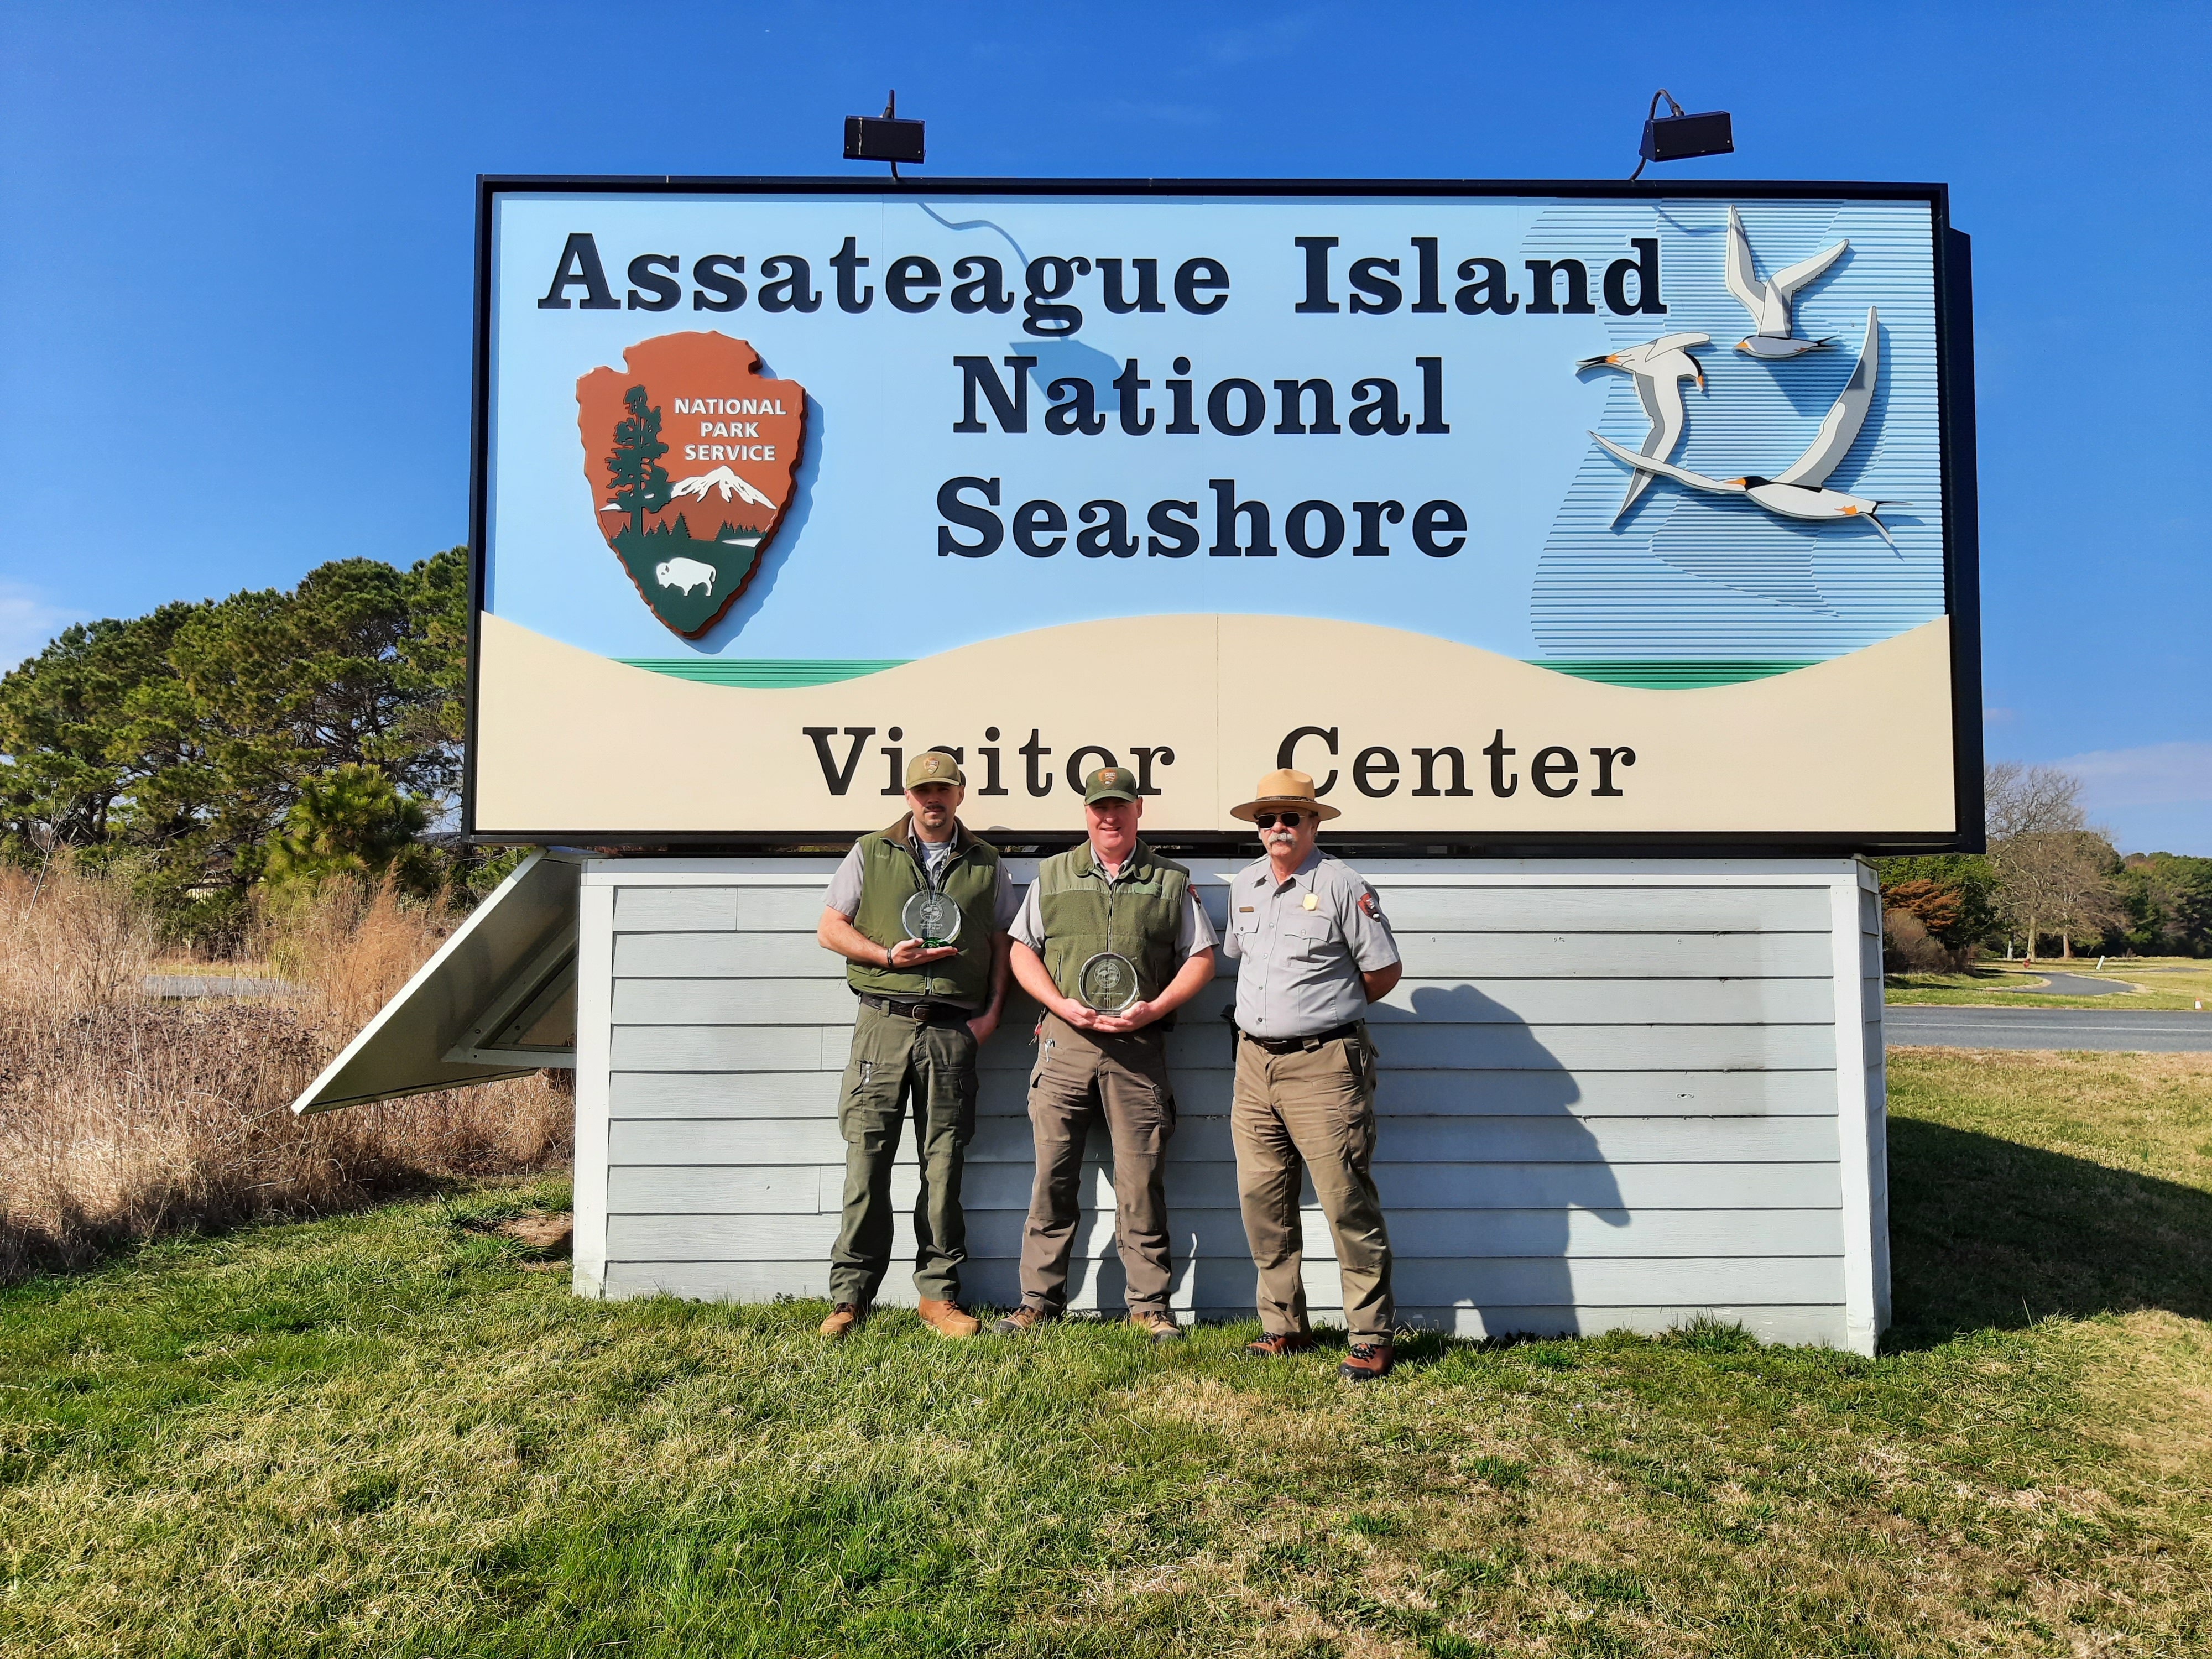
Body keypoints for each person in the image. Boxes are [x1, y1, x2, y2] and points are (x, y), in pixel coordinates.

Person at [996, 766, 1218, 1343]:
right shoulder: (1052, 875)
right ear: (1086, 813)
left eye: (1119, 806)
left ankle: (1148, 1306)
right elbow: (1022, 951)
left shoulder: (1170, 880)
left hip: (1139, 1049)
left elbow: (1201, 957)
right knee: (1053, 1176)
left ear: (1137, 809)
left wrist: (1154, 1007)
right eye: (1098, 807)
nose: (1108, 816)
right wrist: (1060, 1005)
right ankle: (1037, 1302)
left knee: (1140, 1179)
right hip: (1064, 1044)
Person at [814, 749, 1015, 1339]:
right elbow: (829, 928)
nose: (933, 799)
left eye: (944, 790)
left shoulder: (986, 862)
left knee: (945, 1166)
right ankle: (850, 1297)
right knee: (867, 1162)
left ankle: (939, 1296)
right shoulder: (870, 852)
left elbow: (1005, 942)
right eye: (923, 790)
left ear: (959, 795)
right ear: (909, 796)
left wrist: (993, 1015)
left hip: (952, 1029)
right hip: (882, 1022)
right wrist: (883, 955)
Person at [1221, 768, 1404, 1380]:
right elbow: (1244, 963)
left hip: (1324, 1065)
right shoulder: (1243, 886)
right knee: (1262, 1201)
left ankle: (1371, 1335)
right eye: (1266, 819)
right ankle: (1283, 1327)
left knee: (1345, 1201)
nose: (1277, 827)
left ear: (1313, 822)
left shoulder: (1342, 886)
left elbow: (1382, 973)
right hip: (1253, 1065)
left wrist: (1327, 1015)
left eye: (1289, 817)